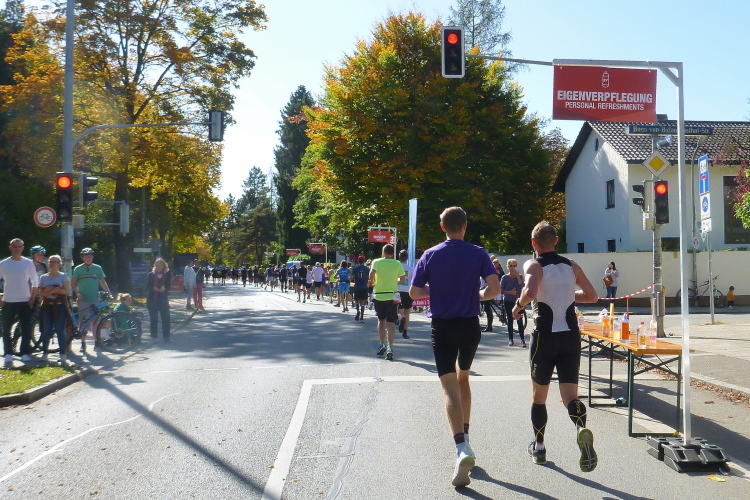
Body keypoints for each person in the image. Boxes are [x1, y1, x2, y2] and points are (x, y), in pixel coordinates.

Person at [409, 207, 501, 488]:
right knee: (464, 379)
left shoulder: (430, 254)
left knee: (449, 385)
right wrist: (477, 294)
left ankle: (461, 447)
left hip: (443, 326)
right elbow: (494, 289)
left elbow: (414, 292)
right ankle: (467, 439)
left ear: (442, 227)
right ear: (465, 225)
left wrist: (438, 290)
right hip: (470, 325)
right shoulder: (478, 253)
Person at [511, 221, 599, 472]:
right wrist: (568, 295)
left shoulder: (533, 264)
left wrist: (518, 307)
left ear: (533, 243)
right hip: (570, 337)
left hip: (545, 338)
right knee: (570, 396)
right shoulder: (571, 265)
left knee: (539, 397)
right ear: (556, 241)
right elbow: (592, 296)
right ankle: (581, 428)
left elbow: (530, 291)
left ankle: (539, 448)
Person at [0, 238, 39, 363]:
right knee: (6, 329)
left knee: (26, 328)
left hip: (24, 300)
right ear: (10, 248)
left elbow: (35, 281)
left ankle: (25, 353)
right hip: (8, 301)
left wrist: (32, 298)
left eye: (19, 246)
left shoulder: (28, 263)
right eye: (14, 246)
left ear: (23, 248)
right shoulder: (4, 264)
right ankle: (8, 353)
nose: (16, 249)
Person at [369, 244, 405, 361]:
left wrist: (372, 281)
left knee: (381, 320)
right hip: (393, 295)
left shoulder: (376, 262)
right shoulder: (397, 263)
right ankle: (390, 348)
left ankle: (381, 344)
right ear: (393, 253)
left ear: (383, 252)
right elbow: (402, 279)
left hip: (379, 294)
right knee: (390, 323)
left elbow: (371, 274)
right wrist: (393, 279)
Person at [71, 247, 111, 351]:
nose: (88, 258)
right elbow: (73, 283)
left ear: (92, 257)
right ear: (82, 258)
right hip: (83, 299)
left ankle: (97, 343)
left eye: (90, 256)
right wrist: (77, 293)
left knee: (95, 322)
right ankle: (83, 344)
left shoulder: (98, 268)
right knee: (83, 322)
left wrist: (108, 292)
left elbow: (102, 281)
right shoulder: (78, 269)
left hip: (95, 298)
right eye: (86, 256)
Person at [39, 254, 70, 363]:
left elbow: (66, 291)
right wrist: (53, 290)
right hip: (47, 306)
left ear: (59, 264)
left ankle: (62, 353)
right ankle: (45, 352)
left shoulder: (63, 276)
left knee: (59, 330)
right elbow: (41, 293)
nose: (51, 264)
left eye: (54, 262)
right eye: (50, 262)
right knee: (46, 330)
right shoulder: (43, 277)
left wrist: (53, 290)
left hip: (59, 306)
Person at [501, 258, 526, 347]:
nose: (513, 267)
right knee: (510, 320)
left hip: (518, 302)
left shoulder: (520, 276)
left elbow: (523, 287)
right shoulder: (505, 277)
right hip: (508, 301)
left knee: (520, 320)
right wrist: (509, 292)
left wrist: (518, 277)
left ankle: (522, 340)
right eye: (511, 266)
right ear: (508, 267)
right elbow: (500, 290)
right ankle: (510, 339)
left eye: (514, 265)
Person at [146, 258, 172, 341]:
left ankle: (166, 336)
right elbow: (148, 286)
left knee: (166, 318)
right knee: (153, 318)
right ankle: (154, 335)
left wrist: (164, 290)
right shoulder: (151, 274)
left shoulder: (167, 274)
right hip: (152, 299)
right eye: (157, 265)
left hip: (163, 299)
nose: (158, 267)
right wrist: (154, 288)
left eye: (160, 266)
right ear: (154, 266)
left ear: (163, 266)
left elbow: (168, 285)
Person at [396, 249, 414, 339]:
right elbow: (414, 281)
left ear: (399, 258)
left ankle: (401, 318)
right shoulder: (411, 269)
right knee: (407, 313)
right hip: (408, 292)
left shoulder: (396, 268)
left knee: (398, 310)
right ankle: (405, 332)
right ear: (407, 258)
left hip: (398, 291)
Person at [351, 256, 370, 322]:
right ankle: (361, 317)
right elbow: (370, 277)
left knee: (357, 300)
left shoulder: (355, 268)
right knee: (363, 302)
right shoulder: (367, 269)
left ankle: (357, 311)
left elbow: (352, 277)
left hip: (357, 286)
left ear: (358, 261)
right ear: (364, 261)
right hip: (364, 286)